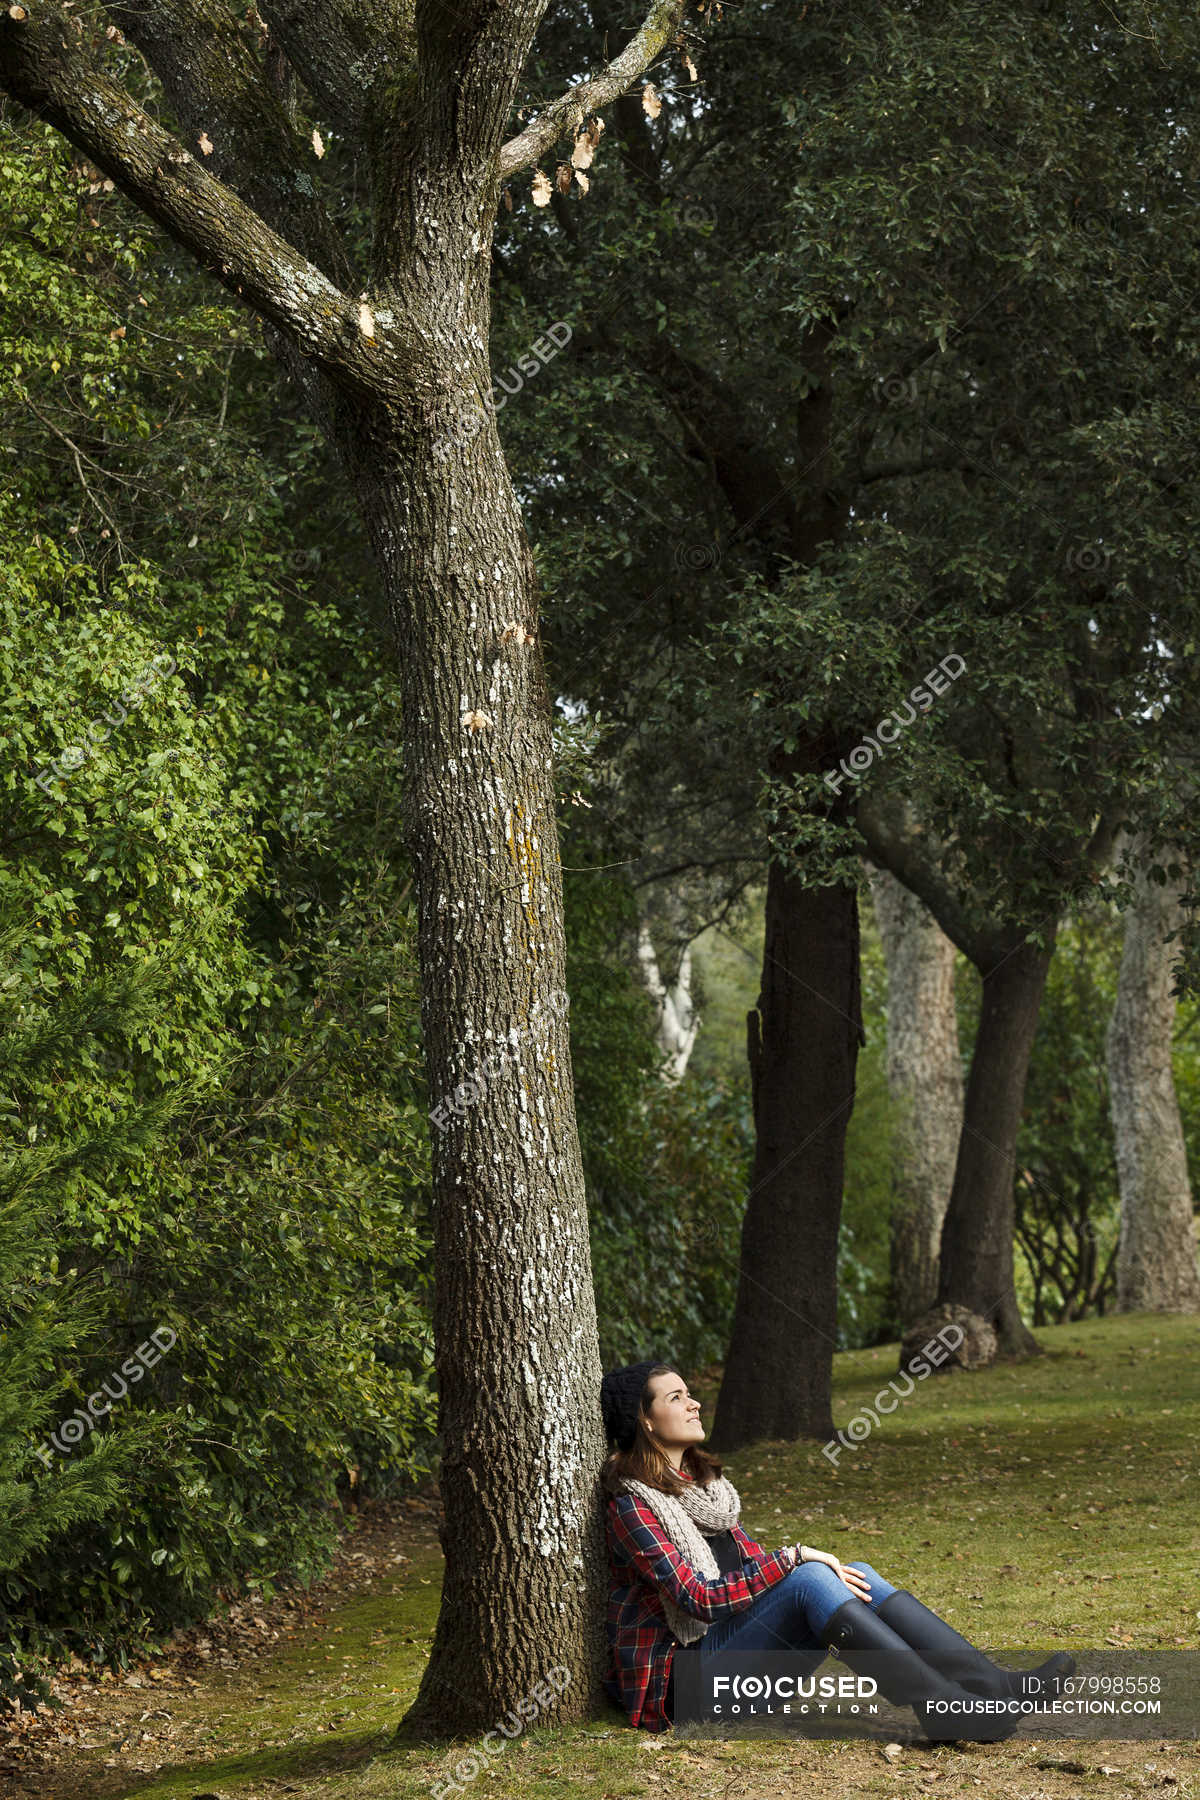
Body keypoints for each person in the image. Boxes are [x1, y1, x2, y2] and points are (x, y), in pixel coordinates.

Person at [600, 1359, 1075, 1742]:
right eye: (676, 1397)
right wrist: (793, 1558)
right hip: (686, 1689)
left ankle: (989, 1685)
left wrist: (796, 1565)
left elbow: (750, 1570)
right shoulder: (633, 1504)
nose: (695, 1403)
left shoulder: (706, 1495)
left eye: (690, 1393)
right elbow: (700, 1598)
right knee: (807, 1576)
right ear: (644, 1418)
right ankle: (945, 1708)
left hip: (739, 1658)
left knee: (855, 1572)